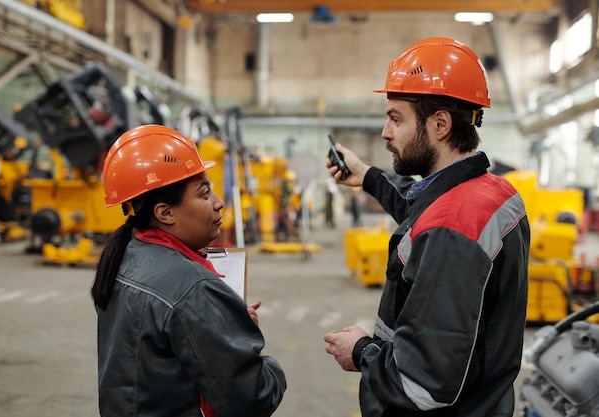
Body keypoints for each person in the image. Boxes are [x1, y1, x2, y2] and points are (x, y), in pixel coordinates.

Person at [323, 37, 530, 417]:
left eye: (396, 118)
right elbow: (421, 204)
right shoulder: (491, 191)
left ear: (439, 124)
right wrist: (367, 176)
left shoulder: (452, 230)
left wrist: (361, 351)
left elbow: (423, 382)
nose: (385, 132)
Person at [91, 124, 286, 417]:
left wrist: (220, 327)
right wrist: (248, 346)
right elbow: (253, 397)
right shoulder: (191, 288)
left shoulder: (126, 256)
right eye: (204, 193)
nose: (219, 203)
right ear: (164, 213)